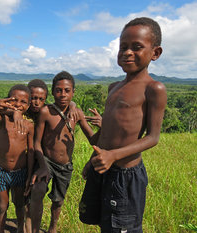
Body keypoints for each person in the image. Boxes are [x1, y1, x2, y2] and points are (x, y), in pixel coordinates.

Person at [79, 17, 167, 233]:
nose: (127, 52)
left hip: (125, 175)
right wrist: (93, 161)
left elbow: (152, 138)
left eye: (137, 47)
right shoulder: (113, 87)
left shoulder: (153, 88)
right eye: (123, 47)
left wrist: (114, 156)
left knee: (123, 227)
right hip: (103, 167)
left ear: (155, 53)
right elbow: (106, 133)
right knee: (104, 223)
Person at [30, 71, 99, 233]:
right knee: (38, 191)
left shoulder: (78, 113)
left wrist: (101, 127)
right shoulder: (46, 112)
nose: (62, 94)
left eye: (67, 90)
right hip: (46, 161)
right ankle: (34, 229)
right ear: (52, 92)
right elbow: (37, 142)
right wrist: (42, 166)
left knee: (58, 201)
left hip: (65, 165)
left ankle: (52, 229)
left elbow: (93, 140)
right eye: (58, 90)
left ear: (73, 92)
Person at [0, 84, 34, 233]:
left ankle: (20, 229)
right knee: (2, 206)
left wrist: (29, 175)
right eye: (15, 100)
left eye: (23, 102)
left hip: (20, 172)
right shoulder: (2, 120)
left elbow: (32, 152)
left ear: (28, 106)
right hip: (2, 172)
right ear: (7, 101)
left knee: (19, 205)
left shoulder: (29, 126)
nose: (19, 105)